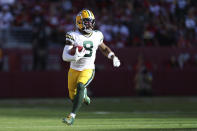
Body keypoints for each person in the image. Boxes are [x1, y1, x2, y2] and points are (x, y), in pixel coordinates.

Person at [62, 9, 121, 125]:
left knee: (80, 85)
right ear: (79, 22)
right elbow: (65, 56)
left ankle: (71, 116)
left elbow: (103, 48)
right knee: (73, 97)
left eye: (91, 22)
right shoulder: (73, 35)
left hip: (88, 68)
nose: (90, 24)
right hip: (73, 69)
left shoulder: (97, 35)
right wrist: (75, 57)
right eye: (87, 22)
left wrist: (113, 56)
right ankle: (84, 95)